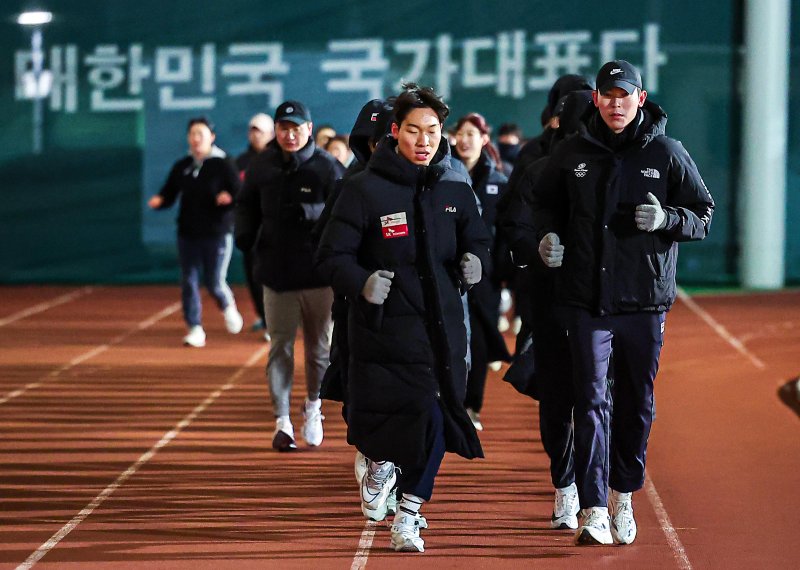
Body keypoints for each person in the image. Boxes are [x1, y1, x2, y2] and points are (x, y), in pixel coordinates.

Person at [527, 60, 714, 546]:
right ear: (595, 99)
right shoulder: (572, 152)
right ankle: (592, 508)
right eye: (607, 94)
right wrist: (545, 238)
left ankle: (622, 495)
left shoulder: (668, 152)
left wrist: (667, 218)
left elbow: (702, 213)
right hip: (585, 300)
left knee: (636, 403)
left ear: (641, 97)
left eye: (623, 94)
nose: (615, 103)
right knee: (589, 400)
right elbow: (541, 204)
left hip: (644, 302)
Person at [315, 83, 491, 553]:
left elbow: (478, 240)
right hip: (384, 330)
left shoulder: (454, 189)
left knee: (436, 416)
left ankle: (409, 512)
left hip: (443, 330)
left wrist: (477, 261)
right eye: (414, 130)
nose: (424, 140)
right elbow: (331, 256)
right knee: (395, 420)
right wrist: (361, 282)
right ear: (395, 132)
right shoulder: (362, 190)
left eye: (432, 131)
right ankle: (377, 462)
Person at [234, 100, 345, 451]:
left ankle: (313, 407)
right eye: (284, 127)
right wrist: (245, 238)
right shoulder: (261, 165)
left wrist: (311, 211)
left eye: (297, 127)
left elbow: (344, 213)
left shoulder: (328, 167)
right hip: (276, 274)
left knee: (318, 351)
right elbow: (246, 205)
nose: (290, 134)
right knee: (279, 347)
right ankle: (282, 421)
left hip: (318, 277)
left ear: (309, 130)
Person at [148, 116, 244, 347]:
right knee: (188, 281)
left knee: (213, 281)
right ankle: (194, 328)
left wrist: (228, 199)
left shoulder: (224, 163)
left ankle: (227, 306)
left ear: (211, 137)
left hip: (217, 233)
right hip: (187, 233)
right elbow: (169, 193)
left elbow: (240, 194)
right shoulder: (182, 165)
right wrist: (160, 201)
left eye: (201, 134)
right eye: (192, 134)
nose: (196, 138)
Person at [453, 112, 512, 430]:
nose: (464, 140)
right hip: (450, 274)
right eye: (460, 133)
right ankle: (450, 401)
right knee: (452, 338)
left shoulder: (499, 183)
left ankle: (472, 405)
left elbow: (504, 234)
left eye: (471, 134)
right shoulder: (445, 174)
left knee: (477, 341)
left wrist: (499, 273)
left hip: (486, 279)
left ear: (484, 139)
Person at [235, 113, 275, 338]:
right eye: (252, 130)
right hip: (251, 229)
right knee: (252, 274)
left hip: (274, 228)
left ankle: (274, 318)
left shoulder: (278, 159)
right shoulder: (241, 161)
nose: (255, 135)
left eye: (259, 130)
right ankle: (263, 315)